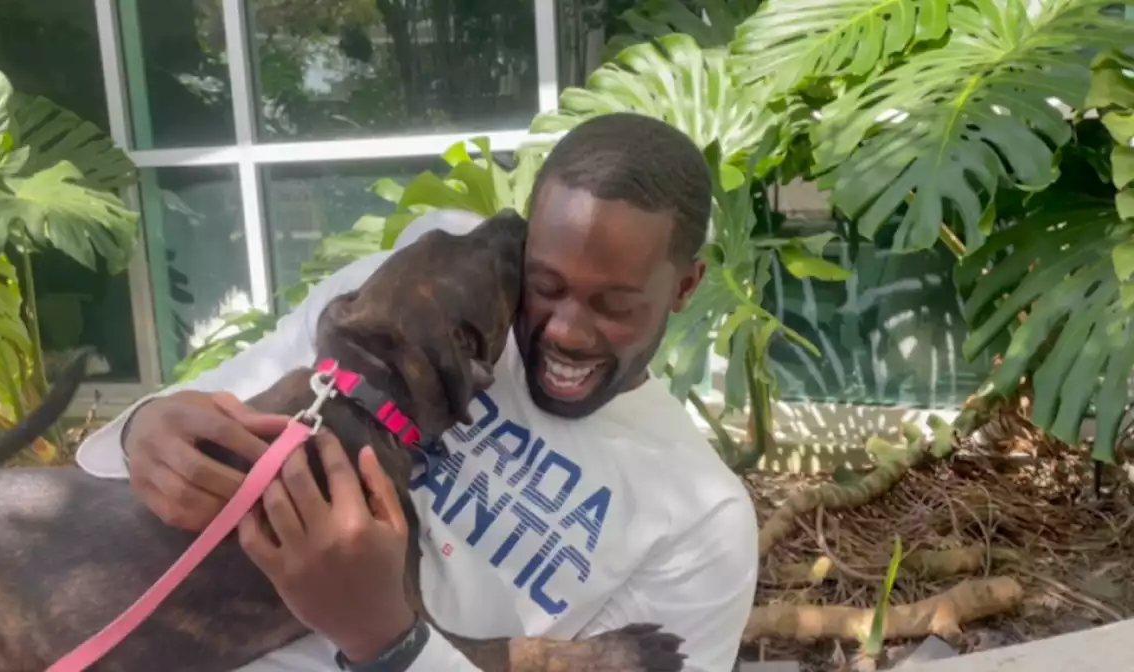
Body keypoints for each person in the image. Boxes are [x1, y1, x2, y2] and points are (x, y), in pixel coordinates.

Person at [75, 112, 758, 672]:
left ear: (686, 287)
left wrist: (387, 640)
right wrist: (149, 432)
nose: (567, 332)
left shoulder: (700, 523)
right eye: (545, 286)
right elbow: (167, 428)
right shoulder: (423, 296)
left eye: (614, 305)